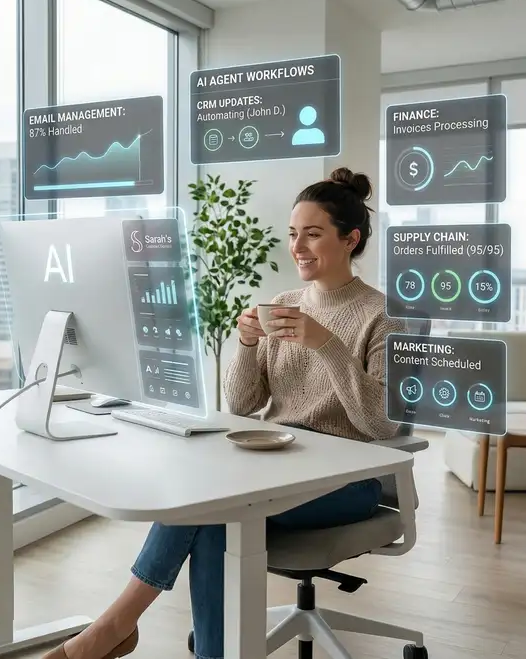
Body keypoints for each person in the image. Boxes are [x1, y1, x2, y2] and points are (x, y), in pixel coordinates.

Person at [43, 167, 407, 659]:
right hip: (276, 464)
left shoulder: (383, 316)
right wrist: (247, 343)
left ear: (351, 239)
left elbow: (381, 424)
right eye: (293, 234)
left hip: (348, 479)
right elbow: (241, 406)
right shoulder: (283, 303)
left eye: (313, 234)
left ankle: (111, 630)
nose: (298, 245)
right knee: (212, 517)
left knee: (214, 507)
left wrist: (326, 344)